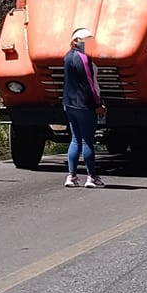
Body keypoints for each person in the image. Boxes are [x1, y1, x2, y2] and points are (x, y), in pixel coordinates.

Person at [62, 27, 105, 189]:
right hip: (84, 105)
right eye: (85, 41)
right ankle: (91, 177)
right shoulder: (83, 59)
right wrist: (98, 105)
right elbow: (90, 85)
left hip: (69, 104)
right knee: (87, 140)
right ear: (75, 42)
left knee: (75, 139)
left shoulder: (67, 57)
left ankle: (72, 176)